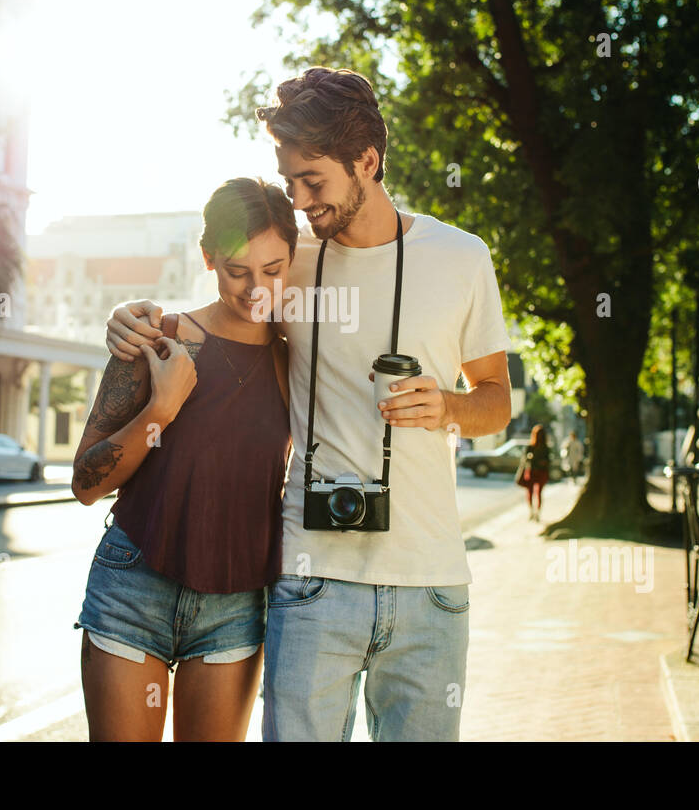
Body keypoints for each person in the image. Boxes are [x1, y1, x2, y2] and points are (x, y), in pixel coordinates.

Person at [106, 66, 512, 741]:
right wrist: (130, 315)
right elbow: (212, 314)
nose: (297, 200)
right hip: (310, 580)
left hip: (432, 585)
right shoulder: (286, 259)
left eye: (312, 181)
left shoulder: (462, 258)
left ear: (368, 162)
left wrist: (447, 406)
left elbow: (496, 403)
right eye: (288, 180)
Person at [69, 177, 294, 742]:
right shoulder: (157, 341)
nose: (256, 289)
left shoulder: (301, 359)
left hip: (235, 604)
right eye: (237, 270)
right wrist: (161, 408)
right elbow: (85, 481)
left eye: (273, 269)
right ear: (208, 258)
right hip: (132, 588)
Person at [515, 424, 550, 521]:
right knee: (531, 492)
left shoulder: (545, 448)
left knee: (537, 493)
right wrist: (530, 458)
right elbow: (525, 459)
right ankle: (532, 511)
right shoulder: (531, 447)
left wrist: (542, 462)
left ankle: (536, 512)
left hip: (540, 472)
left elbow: (548, 460)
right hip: (532, 471)